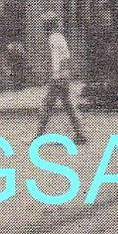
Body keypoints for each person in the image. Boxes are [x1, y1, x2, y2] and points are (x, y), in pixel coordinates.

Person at [35, 14, 86, 145]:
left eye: (45, 25)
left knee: (47, 105)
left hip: (58, 78)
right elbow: (66, 58)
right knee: (68, 106)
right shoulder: (59, 38)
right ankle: (80, 133)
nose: (44, 27)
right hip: (63, 76)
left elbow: (57, 59)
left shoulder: (53, 38)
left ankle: (38, 135)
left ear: (49, 25)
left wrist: (56, 75)